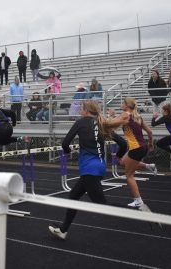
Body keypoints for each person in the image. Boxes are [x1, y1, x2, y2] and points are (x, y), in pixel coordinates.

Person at [48, 100, 119, 239]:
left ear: (86, 110)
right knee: (73, 196)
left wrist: (67, 151)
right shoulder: (101, 123)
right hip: (99, 166)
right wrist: (120, 156)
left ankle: (138, 210)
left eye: (81, 108)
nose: (80, 110)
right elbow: (122, 143)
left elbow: (65, 143)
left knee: (102, 204)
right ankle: (63, 230)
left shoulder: (81, 122)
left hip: (89, 169)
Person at [112, 97, 155, 207]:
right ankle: (148, 166)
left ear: (126, 105)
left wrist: (111, 116)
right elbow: (150, 131)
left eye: (123, 103)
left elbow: (112, 123)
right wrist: (150, 143)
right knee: (122, 162)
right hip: (142, 147)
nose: (121, 104)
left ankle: (138, 200)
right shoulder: (138, 116)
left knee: (129, 175)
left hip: (136, 148)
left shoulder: (125, 114)